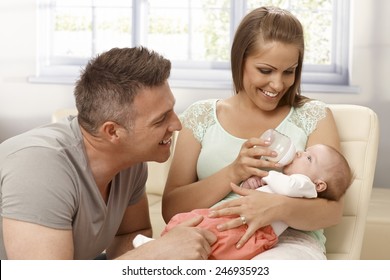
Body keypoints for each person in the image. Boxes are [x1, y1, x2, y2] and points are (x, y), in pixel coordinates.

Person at [162, 6, 346, 260]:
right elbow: (171, 209)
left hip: (287, 242)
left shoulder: (313, 116)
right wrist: (234, 171)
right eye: (266, 70)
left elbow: (333, 211)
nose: (278, 84)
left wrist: (277, 207)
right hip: (210, 236)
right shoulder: (201, 117)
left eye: (289, 71)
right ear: (241, 60)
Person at [0, 46, 216, 260]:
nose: (177, 126)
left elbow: (130, 234)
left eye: (172, 112)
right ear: (112, 131)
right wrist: (154, 254)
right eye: (161, 119)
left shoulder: (130, 162)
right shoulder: (38, 168)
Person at [161, 144, 352, 259]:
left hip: (256, 231)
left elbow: (288, 187)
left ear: (320, 185)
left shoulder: (306, 186)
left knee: (219, 245)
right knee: (194, 222)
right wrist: (251, 183)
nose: (300, 153)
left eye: (309, 158)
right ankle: (159, 248)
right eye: (305, 151)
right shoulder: (285, 180)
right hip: (237, 219)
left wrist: (268, 175)